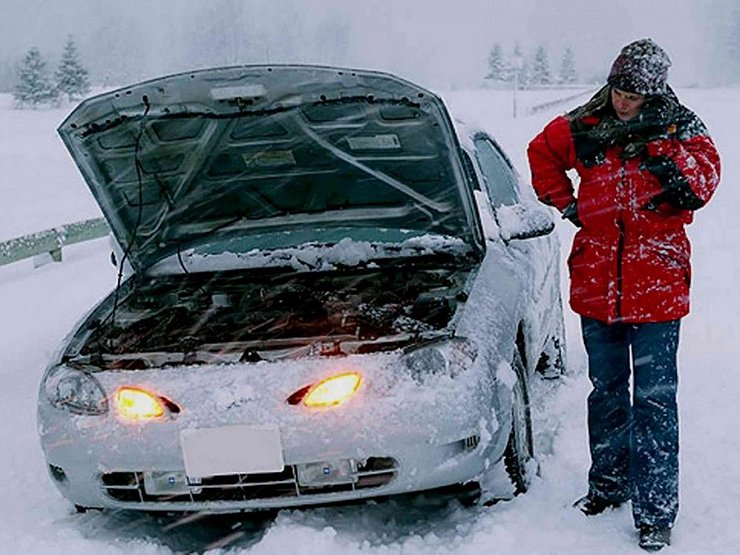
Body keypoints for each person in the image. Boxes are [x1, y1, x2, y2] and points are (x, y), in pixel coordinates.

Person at [527, 38, 721, 551]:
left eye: (635, 94)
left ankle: (656, 511)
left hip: (657, 284)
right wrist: (566, 205)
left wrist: (659, 151)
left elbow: (703, 183)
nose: (623, 102)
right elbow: (541, 152)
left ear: (653, 93)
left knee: (655, 400)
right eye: (619, 89)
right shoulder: (583, 124)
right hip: (596, 284)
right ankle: (608, 486)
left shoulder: (682, 126)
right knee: (605, 391)